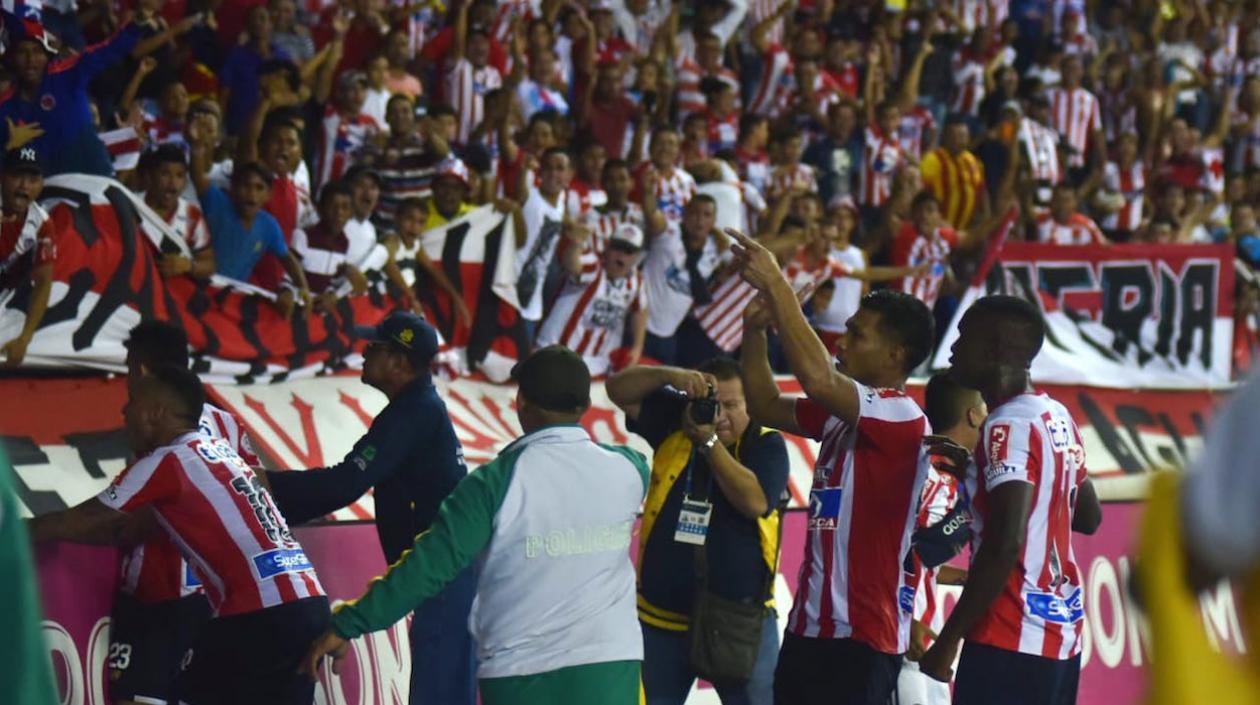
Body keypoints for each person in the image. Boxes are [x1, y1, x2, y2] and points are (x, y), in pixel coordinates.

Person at [300, 346, 650, 705]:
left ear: (522, 402)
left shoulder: (492, 485)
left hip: (521, 675)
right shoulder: (630, 469)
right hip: (613, 665)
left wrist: (349, 623)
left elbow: (426, 568)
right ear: (584, 408)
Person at [30, 365, 329, 705]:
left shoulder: (167, 461)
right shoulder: (223, 453)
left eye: (132, 402)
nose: (123, 412)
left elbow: (86, 519)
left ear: (155, 412)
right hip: (310, 600)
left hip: (257, 611)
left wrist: (15, 530)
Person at [730, 227, 936, 705]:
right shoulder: (846, 417)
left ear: (894, 355)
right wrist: (755, 332)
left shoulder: (901, 416)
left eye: (857, 334)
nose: (842, 341)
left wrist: (779, 287)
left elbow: (820, 379)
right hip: (809, 628)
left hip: (861, 637)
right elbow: (762, 404)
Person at [266, 312, 477, 705]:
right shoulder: (419, 408)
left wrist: (266, 486)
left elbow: (346, 483)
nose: (363, 354)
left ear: (398, 361)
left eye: (374, 348)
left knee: (439, 695)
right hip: (446, 572)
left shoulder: (413, 413)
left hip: (441, 575)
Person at [918, 295, 1103, 705]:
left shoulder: (1005, 426)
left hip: (1008, 638)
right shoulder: (1057, 416)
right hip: (1060, 638)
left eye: (963, 337)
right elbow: (1089, 516)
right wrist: (981, 477)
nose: (952, 348)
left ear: (994, 349)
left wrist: (949, 641)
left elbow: (1005, 542)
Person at [606, 357, 789, 705]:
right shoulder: (678, 419)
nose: (720, 416)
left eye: (732, 405)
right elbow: (617, 389)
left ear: (752, 403)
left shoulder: (766, 444)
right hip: (661, 621)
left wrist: (707, 444)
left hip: (740, 623)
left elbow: (754, 501)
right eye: (713, 404)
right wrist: (669, 374)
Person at [106, 320, 264, 705]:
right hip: (215, 593)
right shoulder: (226, 421)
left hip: (159, 591)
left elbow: (135, 513)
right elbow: (260, 487)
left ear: (140, 369)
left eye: (129, 368)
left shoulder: (155, 421)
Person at [896, 373, 987, 705]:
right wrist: (908, 620)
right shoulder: (927, 473)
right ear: (973, 415)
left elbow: (922, 555)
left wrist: (965, 577)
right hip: (904, 641)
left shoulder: (952, 471)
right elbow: (892, 552)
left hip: (926, 643)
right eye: (985, 408)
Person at [537, 222, 647, 376]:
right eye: (617, 248)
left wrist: (637, 347)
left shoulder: (636, 282)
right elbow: (573, 266)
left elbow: (640, 310)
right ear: (607, 247)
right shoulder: (594, 263)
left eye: (628, 251)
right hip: (555, 352)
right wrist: (576, 245)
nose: (621, 256)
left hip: (594, 365)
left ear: (636, 257)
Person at [0, 146, 56, 366]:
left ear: (41, 184)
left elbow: (43, 281)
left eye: (32, 179)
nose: (24, 185)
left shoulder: (42, 223)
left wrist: (25, 338)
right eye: (17, 176)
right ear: (2, 177)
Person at [139, 146, 215, 280]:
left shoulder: (192, 215)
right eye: (165, 174)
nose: (173, 183)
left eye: (179, 176)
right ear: (150, 176)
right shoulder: (130, 203)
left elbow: (209, 265)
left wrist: (188, 266)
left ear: (186, 182)